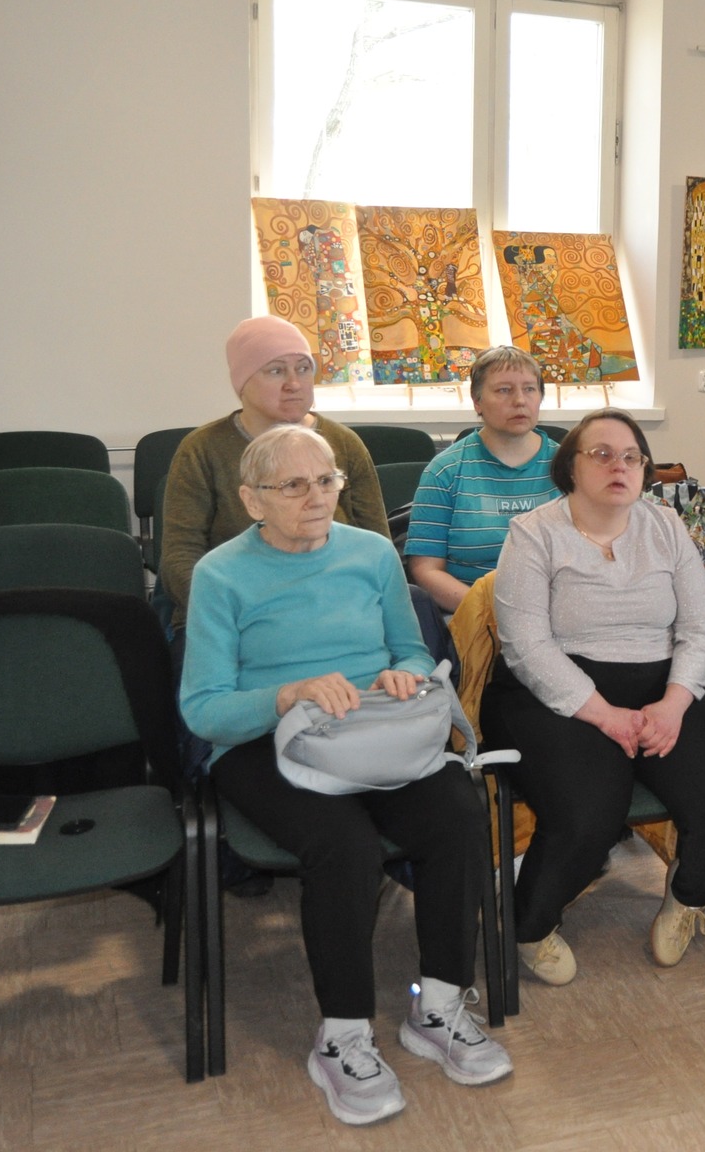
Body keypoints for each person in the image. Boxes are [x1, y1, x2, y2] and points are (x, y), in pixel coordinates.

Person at [180, 426, 508, 1126]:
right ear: (252, 500)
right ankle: (343, 1035)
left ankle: (438, 1006)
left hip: (371, 728)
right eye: (293, 485)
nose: (316, 497)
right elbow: (204, 710)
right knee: (345, 844)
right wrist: (288, 694)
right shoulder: (220, 574)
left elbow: (412, 652)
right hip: (265, 742)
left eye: (326, 480)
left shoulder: (370, 553)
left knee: (457, 810)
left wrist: (403, 675)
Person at [484, 409, 705, 986]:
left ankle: (687, 898)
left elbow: (699, 628)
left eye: (632, 457)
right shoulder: (533, 533)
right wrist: (604, 714)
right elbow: (526, 646)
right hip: (553, 689)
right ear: (570, 467)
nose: (620, 466)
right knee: (589, 810)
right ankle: (530, 926)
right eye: (602, 454)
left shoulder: (666, 526)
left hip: (660, 683)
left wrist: (675, 702)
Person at [161, 316, 389, 633]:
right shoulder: (202, 449)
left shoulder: (344, 444)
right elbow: (181, 556)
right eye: (276, 371)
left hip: (335, 611)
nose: (293, 383)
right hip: (230, 617)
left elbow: (376, 545)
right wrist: (234, 611)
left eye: (303, 368)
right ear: (243, 383)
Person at [406, 346, 559, 612]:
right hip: (474, 612)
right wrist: (488, 612)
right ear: (477, 401)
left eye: (529, 389)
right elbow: (426, 569)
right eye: (504, 390)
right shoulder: (444, 471)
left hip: (559, 610)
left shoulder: (570, 466)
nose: (520, 400)